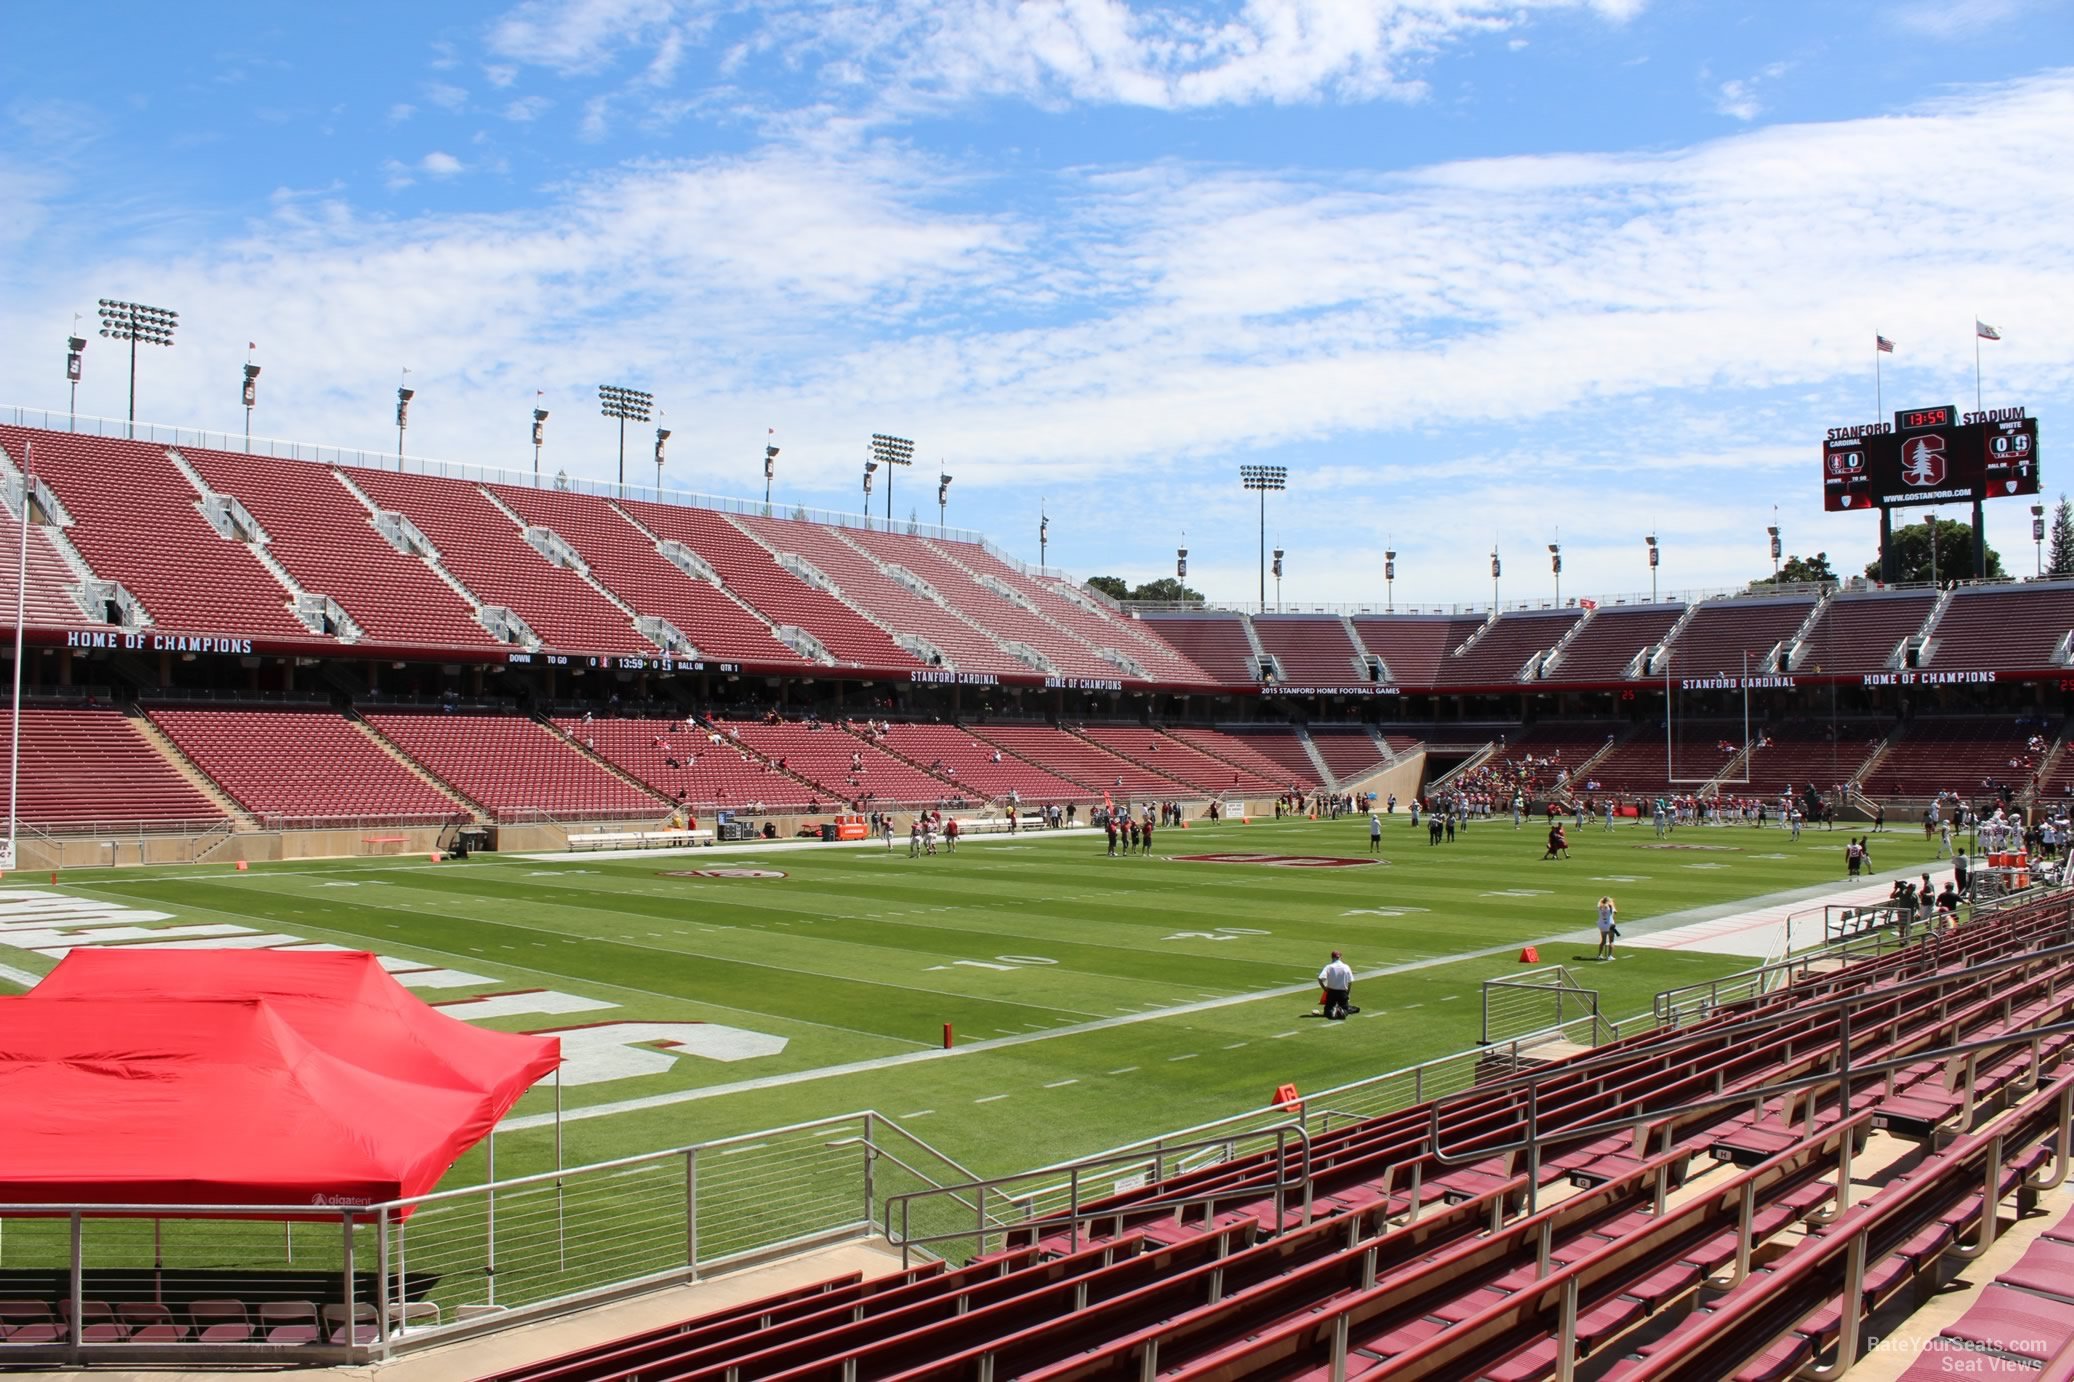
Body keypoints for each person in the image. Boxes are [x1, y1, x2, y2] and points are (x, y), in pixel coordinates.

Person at [1318, 950, 1354, 1021]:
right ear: (1340, 957)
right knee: (1346, 1008)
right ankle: (1342, 1011)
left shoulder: (1329, 967)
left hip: (1331, 992)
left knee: (1327, 1010)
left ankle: (1332, 1012)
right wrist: (1347, 993)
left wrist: (1325, 989)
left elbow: (1320, 978)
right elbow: (1350, 982)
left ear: (1332, 957)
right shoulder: (1346, 967)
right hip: (1342, 992)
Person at [1596, 896, 1618, 960]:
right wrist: (1613, 904)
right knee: (1611, 941)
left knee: (1603, 941)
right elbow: (1615, 912)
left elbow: (1600, 902)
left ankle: (1599, 955)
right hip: (1610, 924)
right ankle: (1609, 956)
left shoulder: (1600, 907)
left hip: (1602, 924)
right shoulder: (1610, 906)